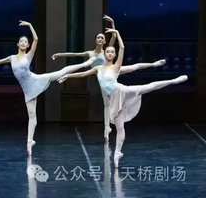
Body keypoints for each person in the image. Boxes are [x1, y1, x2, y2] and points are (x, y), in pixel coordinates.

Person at [58, 28, 187, 167]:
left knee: (148, 87)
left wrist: (118, 34)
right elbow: (83, 74)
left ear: (114, 55)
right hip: (114, 100)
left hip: (122, 91)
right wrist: (68, 75)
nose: (109, 53)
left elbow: (123, 49)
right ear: (104, 53)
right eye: (108, 51)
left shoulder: (116, 66)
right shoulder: (98, 69)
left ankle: (173, 81)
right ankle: (117, 152)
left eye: (112, 52)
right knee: (120, 127)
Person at [0, 21, 97, 155]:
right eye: (21, 41)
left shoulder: (28, 56)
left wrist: (30, 25)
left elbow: (36, 39)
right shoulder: (11, 58)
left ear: (28, 45)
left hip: (35, 80)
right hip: (27, 89)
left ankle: (85, 63)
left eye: (25, 42)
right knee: (32, 115)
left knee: (61, 71)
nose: (23, 43)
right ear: (18, 44)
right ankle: (30, 141)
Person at [51, 15, 117, 141]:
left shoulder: (106, 52)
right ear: (95, 41)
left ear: (104, 42)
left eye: (102, 38)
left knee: (111, 102)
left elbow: (114, 37)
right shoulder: (90, 53)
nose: (100, 39)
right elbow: (74, 54)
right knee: (107, 104)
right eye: (98, 37)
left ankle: (109, 125)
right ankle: (107, 128)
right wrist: (59, 54)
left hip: (110, 76)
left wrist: (112, 23)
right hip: (99, 77)